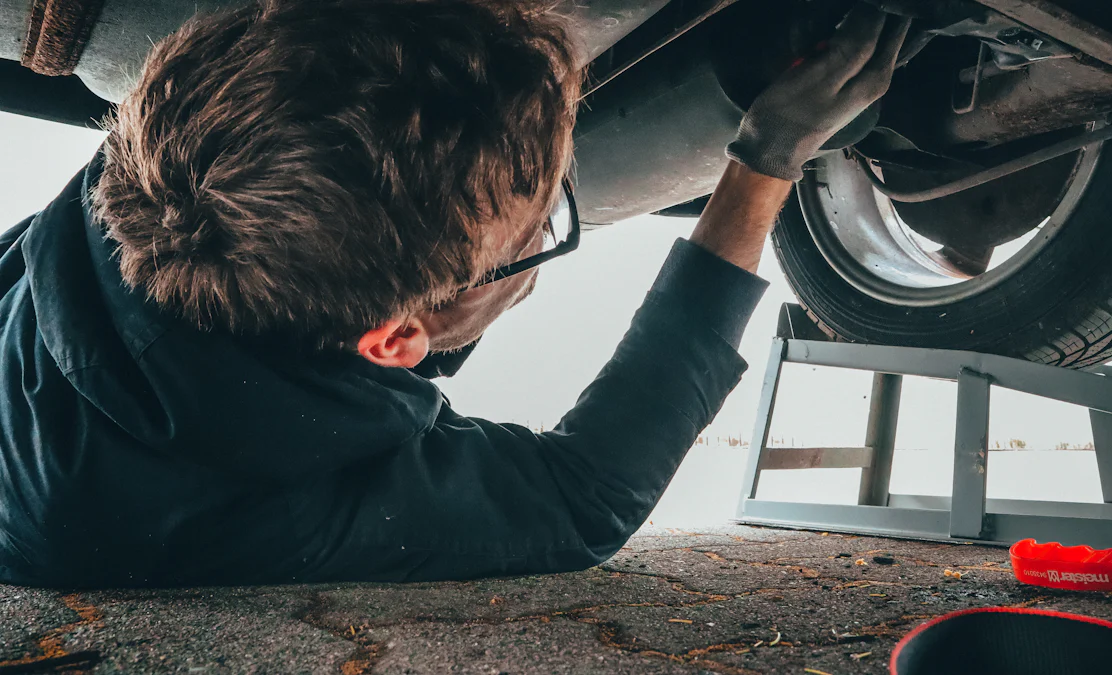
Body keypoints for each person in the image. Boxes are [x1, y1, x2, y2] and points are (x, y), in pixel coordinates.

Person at [0, 0, 908, 587]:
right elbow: (584, 497)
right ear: (396, 339)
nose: (545, 217)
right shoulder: (248, 504)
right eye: (537, 228)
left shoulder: (183, 150)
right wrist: (762, 164)